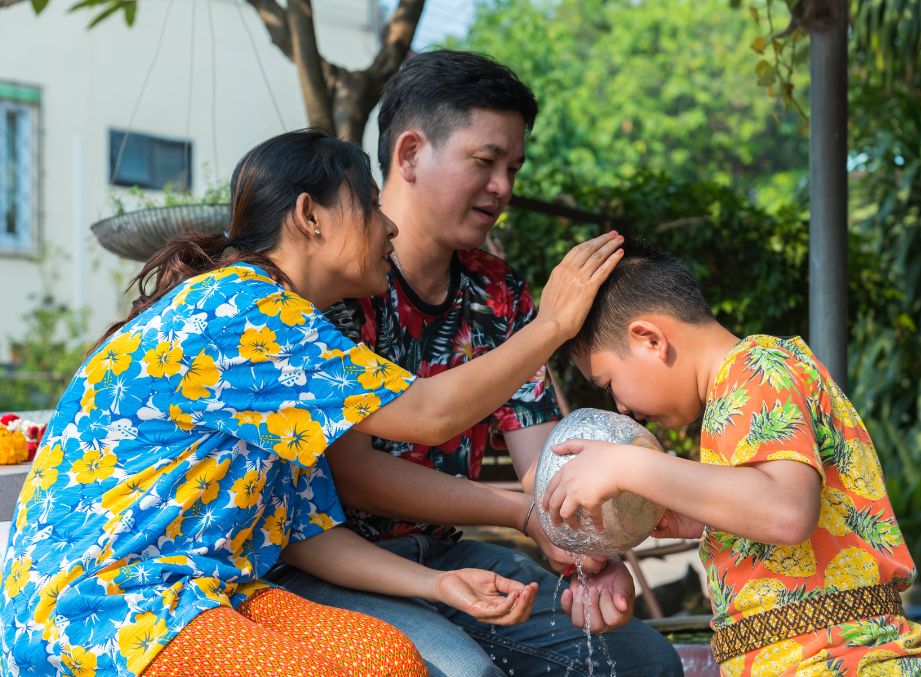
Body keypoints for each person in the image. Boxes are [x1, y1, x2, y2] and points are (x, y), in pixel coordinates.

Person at [0, 129, 626, 676]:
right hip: (104, 608)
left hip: (203, 593)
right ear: (310, 215)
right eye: (372, 208)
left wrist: (439, 583)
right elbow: (431, 413)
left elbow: (307, 534)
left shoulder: (290, 329)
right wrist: (551, 325)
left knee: (387, 661)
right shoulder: (241, 308)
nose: (391, 227)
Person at [267, 50, 683, 677]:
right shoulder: (333, 287)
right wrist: (524, 513)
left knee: (644, 661)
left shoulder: (499, 293)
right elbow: (355, 473)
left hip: (445, 556)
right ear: (408, 154)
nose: (504, 188)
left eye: (513, 167)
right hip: (323, 566)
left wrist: (586, 548)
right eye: (485, 162)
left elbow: (549, 471)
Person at [543, 240, 921, 674]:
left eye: (608, 382)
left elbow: (786, 510)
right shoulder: (735, 398)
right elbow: (778, 517)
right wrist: (705, 521)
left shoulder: (756, 367)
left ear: (649, 340)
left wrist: (627, 465)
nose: (621, 407)